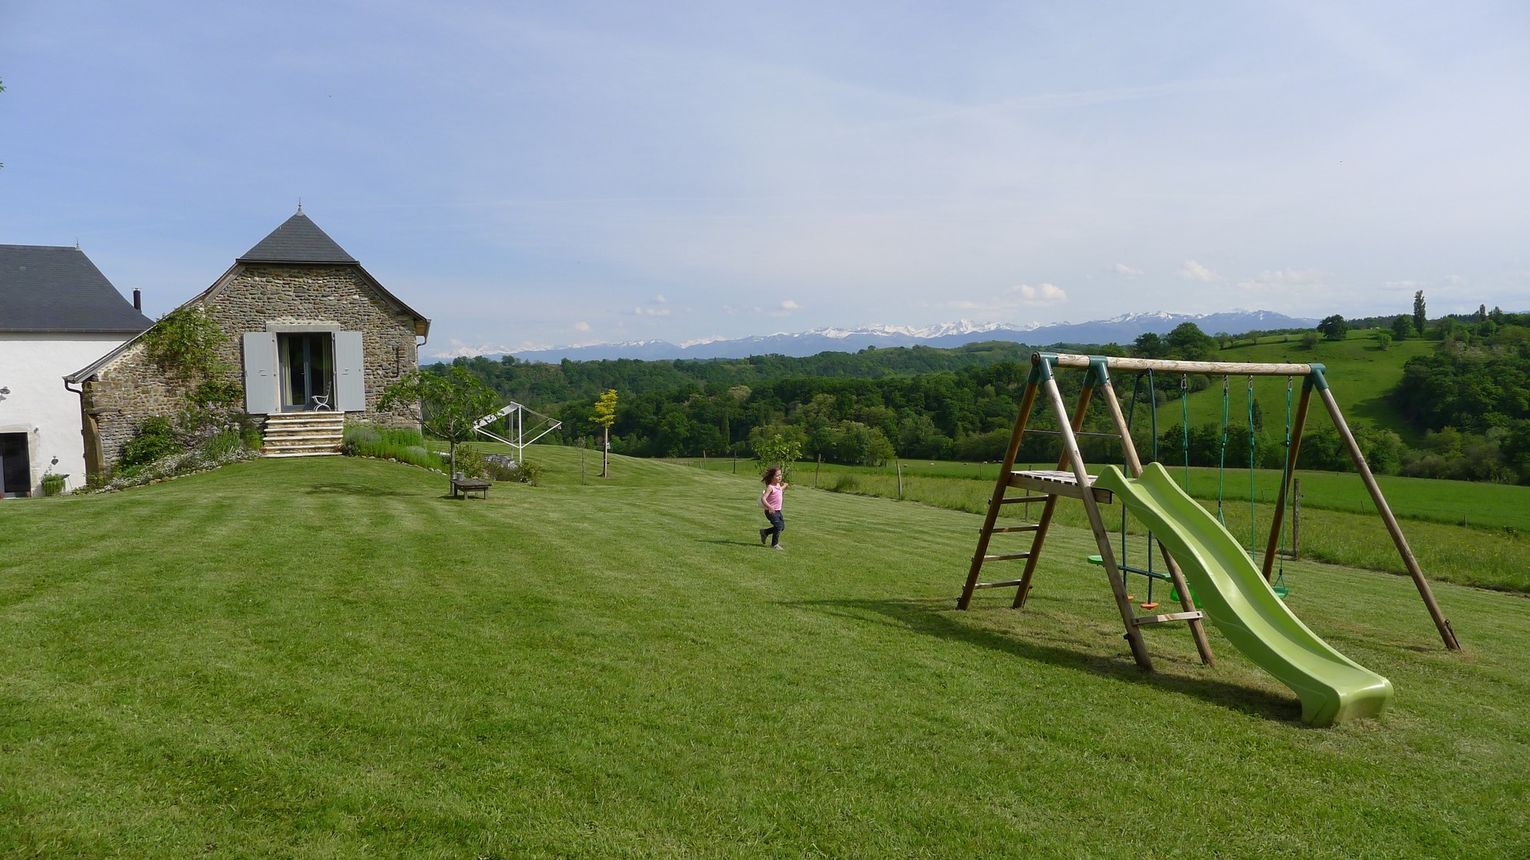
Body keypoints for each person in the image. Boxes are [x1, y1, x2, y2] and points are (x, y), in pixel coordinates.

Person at [758, 466, 788, 550]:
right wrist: (769, 507)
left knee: (781, 527)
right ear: (771, 477)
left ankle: (765, 532)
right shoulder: (770, 487)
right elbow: (763, 498)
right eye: (777, 475)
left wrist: (784, 486)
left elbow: (779, 490)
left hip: (778, 511)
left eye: (780, 475)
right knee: (778, 526)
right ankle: (774, 544)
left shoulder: (778, 485)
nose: (780, 477)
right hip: (770, 511)